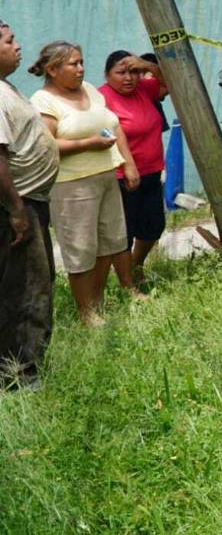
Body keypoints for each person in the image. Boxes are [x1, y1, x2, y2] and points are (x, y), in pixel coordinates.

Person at [29, 41, 143, 325]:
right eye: (73, 64)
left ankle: (98, 302)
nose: (81, 69)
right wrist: (89, 144)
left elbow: (114, 126)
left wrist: (127, 163)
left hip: (106, 175)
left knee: (109, 242)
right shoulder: (43, 101)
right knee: (81, 248)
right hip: (72, 184)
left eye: (81, 62)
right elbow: (47, 145)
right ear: (53, 69)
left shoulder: (90, 90)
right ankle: (86, 313)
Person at [0, 22, 58, 387]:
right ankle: (20, 376)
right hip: (16, 209)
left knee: (30, 284)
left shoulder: (6, 87)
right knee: (26, 290)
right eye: (9, 41)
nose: (18, 46)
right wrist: (17, 210)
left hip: (26, 204)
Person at [99, 51, 168, 284]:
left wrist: (148, 65)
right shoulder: (101, 98)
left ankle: (136, 267)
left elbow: (172, 83)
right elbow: (104, 133)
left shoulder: (144, 90)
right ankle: (126, 283)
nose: (128, 78)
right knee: (124, 232)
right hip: (122, 175)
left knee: (153, 226)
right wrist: (126, 165)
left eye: (134, 72)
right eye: (121, 72)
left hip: (151, 170)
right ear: (107, 74)